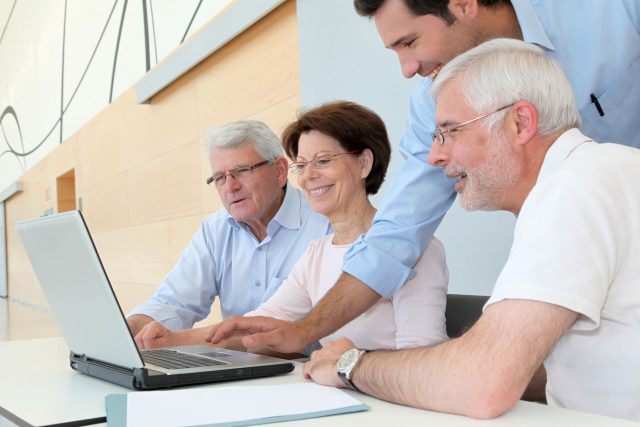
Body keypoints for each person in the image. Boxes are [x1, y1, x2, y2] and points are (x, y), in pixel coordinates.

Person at [206, 0, 640, 355]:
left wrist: (349, 366)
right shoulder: (431, 101)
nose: (407, 68)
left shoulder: (608, 11)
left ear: (464, 4)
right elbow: (395, 236)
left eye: (409, 42)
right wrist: (304, 333)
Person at [301, 39, 640, 421]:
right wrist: (449, 366)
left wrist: (351, 365)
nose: (435, 156)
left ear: (521, 122)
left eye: (450, 132)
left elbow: (484, 386)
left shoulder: (573, 188)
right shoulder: (601, 173)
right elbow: (572, 369)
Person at [136, 102, 449, 352]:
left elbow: (424, 361)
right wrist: (171, 340)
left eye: (323, 161)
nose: (308, 176)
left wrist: (346, 368)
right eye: (303, 164)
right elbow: (259, 327)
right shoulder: (317, 254)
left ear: (364, 164)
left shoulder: (416, 249)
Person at [126, 120, 331, 337]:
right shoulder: (215, 230)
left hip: (304, 368)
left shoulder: (325, 223)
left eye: (242, 171)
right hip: (236, 367)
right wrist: (133, 328)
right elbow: (176, 302)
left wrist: (176, 340)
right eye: (219, 178)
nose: (230, 187)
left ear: (280, 171)